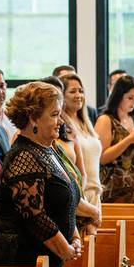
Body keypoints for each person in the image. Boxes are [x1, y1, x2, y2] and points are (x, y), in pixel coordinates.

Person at [0, 82, 81, 267]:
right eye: (54, 114)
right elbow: (34, 214)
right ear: (33, 118)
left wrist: (75, 236)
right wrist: (65, 248)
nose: (61, 121)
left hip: (47, 259)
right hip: (25, 259)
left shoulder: (47, 150)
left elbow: (68, 199)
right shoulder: (24, 156)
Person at [95, 75, 134, 203]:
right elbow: (102, 158)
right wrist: (128, 140)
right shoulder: (105, 120)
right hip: (114, 189)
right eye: (130, 98)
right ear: (119, 96)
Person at [58, 73, 103, 212]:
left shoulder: (86, 122)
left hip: (95, 193)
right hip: (79, 195)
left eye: (81, 91)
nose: (78, 95)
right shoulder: (62, 125)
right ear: (62, 96)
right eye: (73, 91)